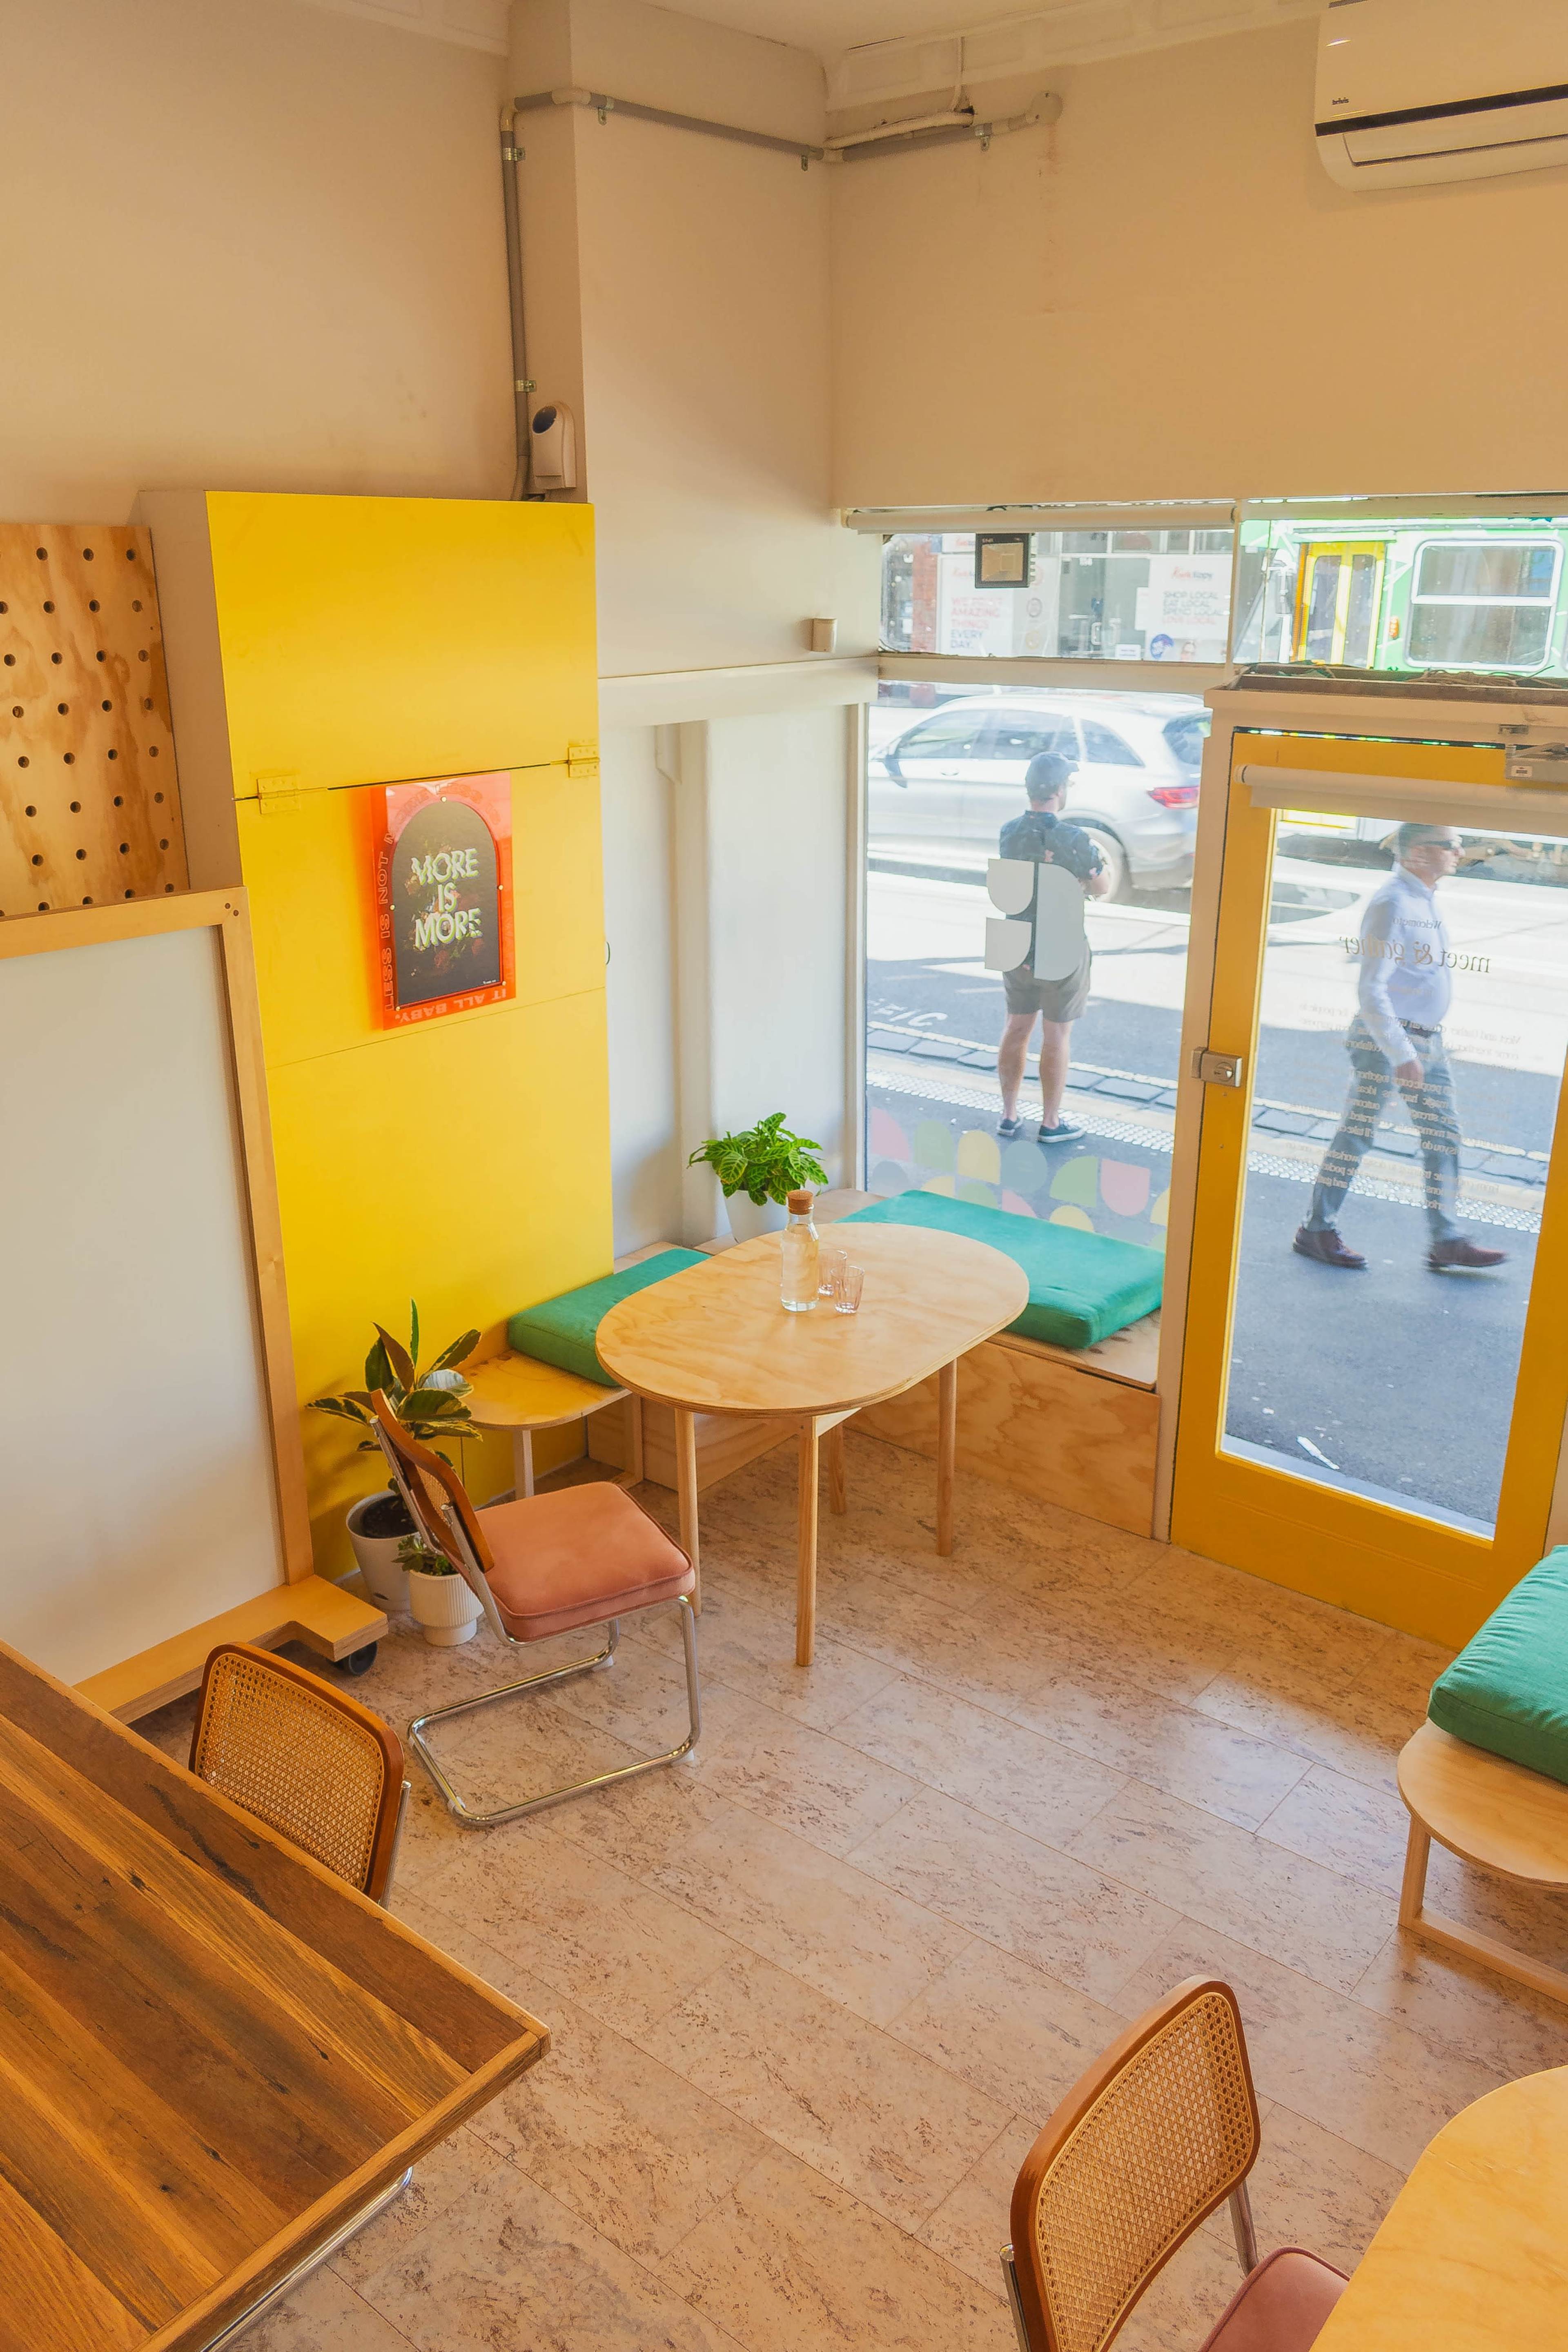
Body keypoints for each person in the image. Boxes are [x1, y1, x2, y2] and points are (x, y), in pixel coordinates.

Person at [1294, 822, 1506, 1274]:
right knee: (1358, 1133)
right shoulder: (1393, 903)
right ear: (1416, 853)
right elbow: (1372, 989)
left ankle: (1446, 1238)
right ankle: (1317, 1229)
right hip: (1393, 1042)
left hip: (1426, 1040)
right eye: (1449, 844)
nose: (1459, 850)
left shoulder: (1421, 899)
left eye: (1458, 843)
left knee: (1442, 1135)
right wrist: (1403, 1053)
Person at [996, 749, 1109, 1146]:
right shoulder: (1074, 838)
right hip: (1059, 944)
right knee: (1056, 1035)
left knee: (1016, 1026)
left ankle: (1009, 1116)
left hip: (1016, 943)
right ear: (1060, 791)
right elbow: (1101, 887)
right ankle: (1050, 1122)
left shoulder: (1010, 831)